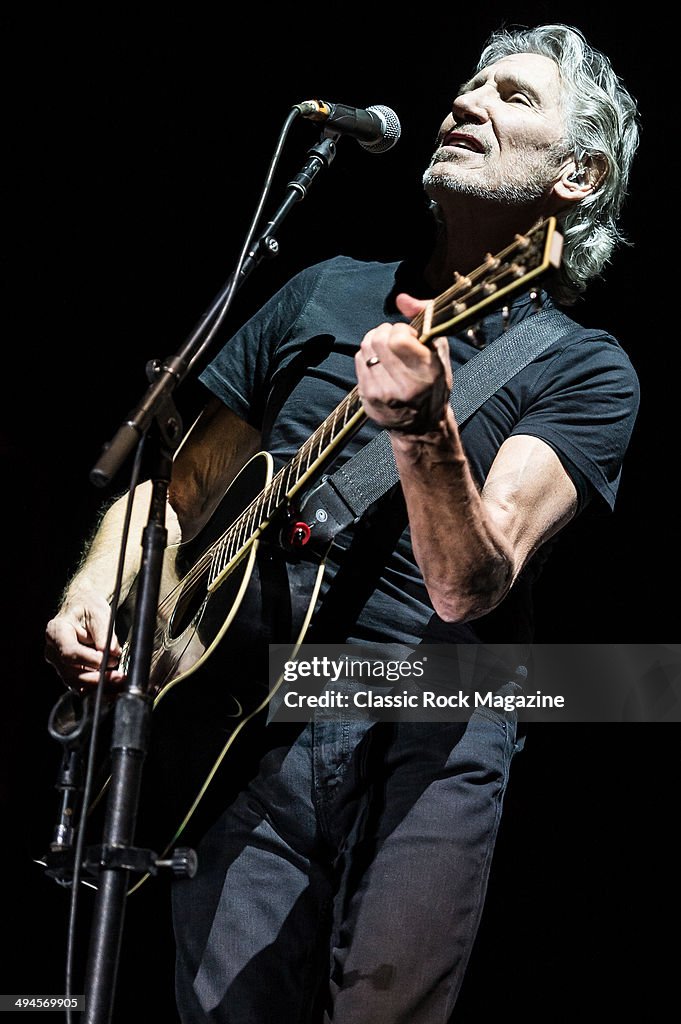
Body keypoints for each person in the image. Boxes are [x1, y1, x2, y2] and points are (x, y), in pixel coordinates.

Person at [44, 22, 640, 1024]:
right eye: (468, 84)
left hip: (436, 715)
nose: (466, 102)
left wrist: (421, 428)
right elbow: (173, 494)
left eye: (513, 96)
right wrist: (98, 583)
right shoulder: (324, 287)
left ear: (576, 178)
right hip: (245, 722)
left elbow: (472, 583)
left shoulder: (584, 367)